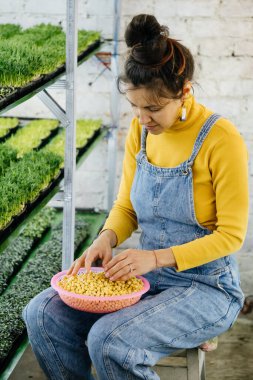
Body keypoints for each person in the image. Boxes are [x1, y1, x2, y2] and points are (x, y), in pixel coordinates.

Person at [23, 14, 249, 380]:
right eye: (135, 106)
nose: (143, 118)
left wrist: (156, 258)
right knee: (42, 315)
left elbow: (231, 237)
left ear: (185, 92)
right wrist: (106, 238)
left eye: (154, 108)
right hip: (146, 278)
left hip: (207, 287)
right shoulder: (140, 132)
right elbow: (126, 206)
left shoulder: (221, 139)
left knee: (109, 341)